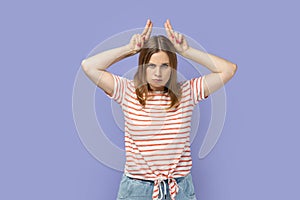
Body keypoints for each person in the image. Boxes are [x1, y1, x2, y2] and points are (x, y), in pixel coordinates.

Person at [81, 19, 237, 200]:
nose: (157, 73)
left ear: (172, 68)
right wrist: (129, 49)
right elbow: (88, 66)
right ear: (142, 66)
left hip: (178, 189)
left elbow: (228, 70)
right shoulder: (127, 91)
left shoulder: (187, 92)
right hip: (136, 189)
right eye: (151, 66)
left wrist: (187, 51)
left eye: (165, 66)